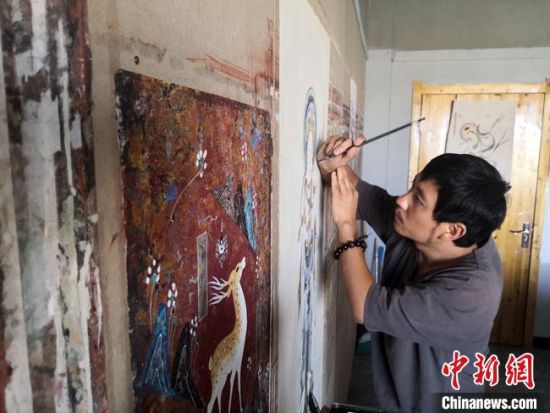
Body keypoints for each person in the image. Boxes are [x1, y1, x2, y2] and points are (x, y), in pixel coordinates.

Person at [317, 136, 509, 413]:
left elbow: (364, 306)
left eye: (418, 199)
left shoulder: (472, 292)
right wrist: (334, 165)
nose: (402, 200)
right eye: (412, 186)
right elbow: (359, 195)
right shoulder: (413, 226)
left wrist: (346, 225)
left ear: (452, 230)